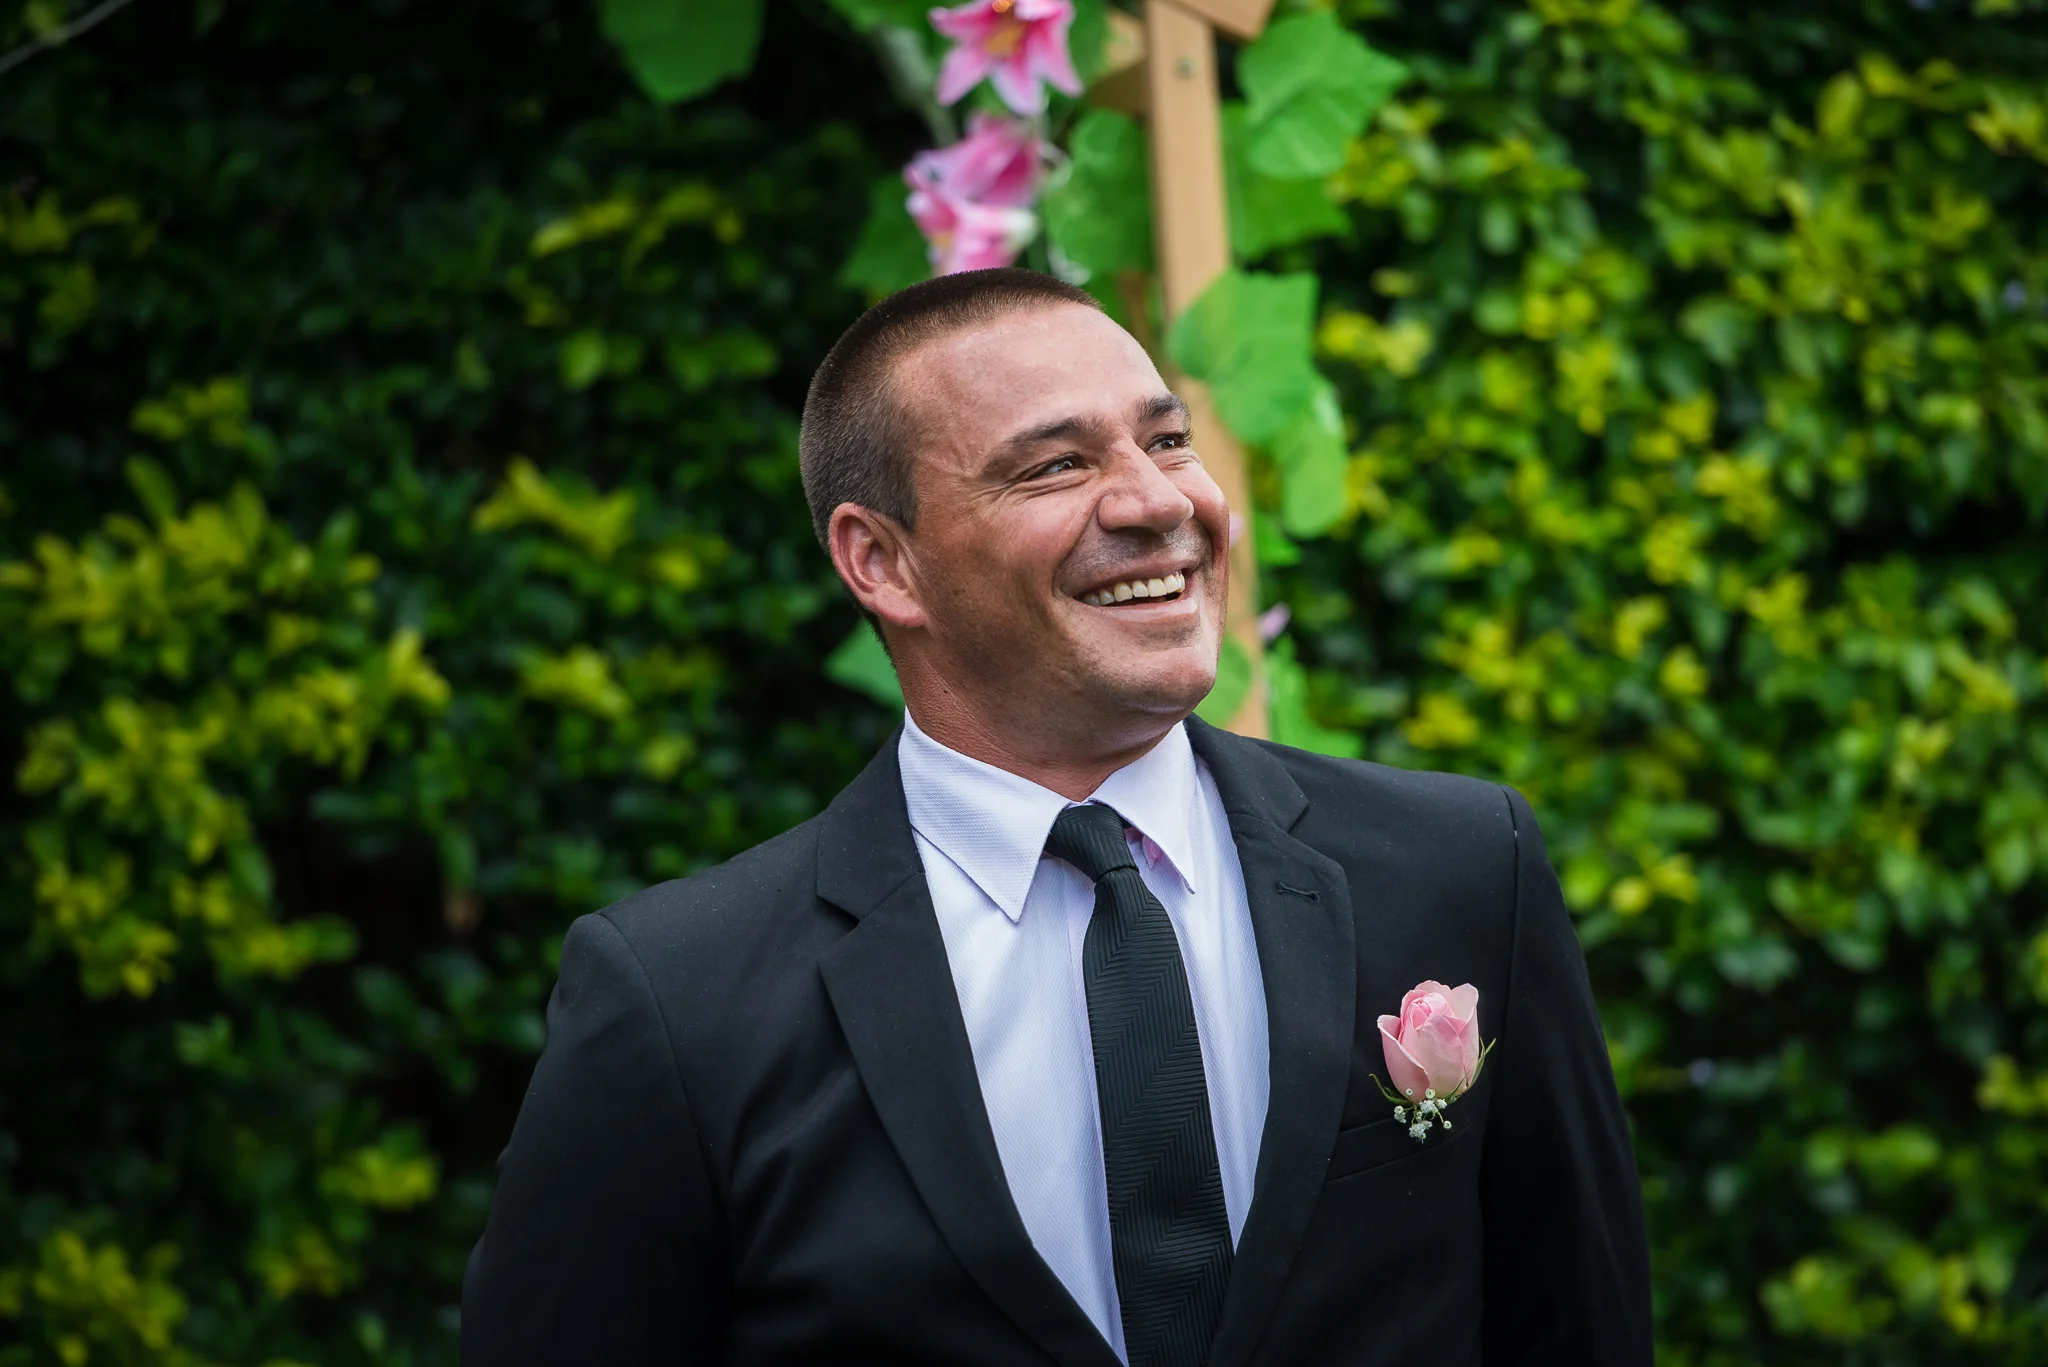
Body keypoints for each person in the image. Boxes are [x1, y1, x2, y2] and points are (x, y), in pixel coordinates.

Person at [460, 268, 1653, 1366]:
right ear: (880, 561)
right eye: (1054, 466)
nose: (1156, 500)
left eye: (1168, 438)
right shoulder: (679, 999)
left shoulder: (1456, 870)